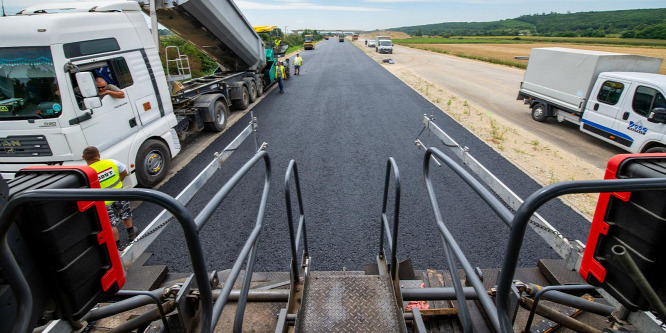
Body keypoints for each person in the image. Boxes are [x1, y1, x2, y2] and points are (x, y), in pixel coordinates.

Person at [82, 146, 138, 249]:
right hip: (119, 194)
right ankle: (131, 234)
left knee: (111, 224)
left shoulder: (87, 172)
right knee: (125, 214)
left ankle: (118, 246)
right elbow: (124, 172)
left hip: (104, 202)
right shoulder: (111, 162)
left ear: (83, 158)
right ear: (98, 155)